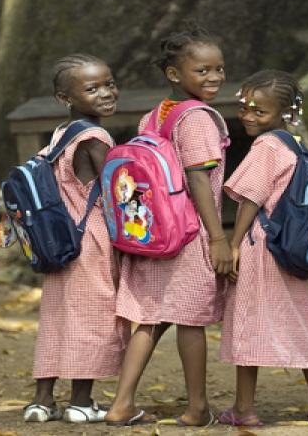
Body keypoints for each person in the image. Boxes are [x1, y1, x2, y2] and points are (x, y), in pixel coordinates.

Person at [104, 24, 232, 427]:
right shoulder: (197, 119)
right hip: (189, 236)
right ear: (174, 74)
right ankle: (197, 408)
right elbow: (198, 180)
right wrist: (219, 238)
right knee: (191, 321)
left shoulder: (152, 116)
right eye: (203, 71)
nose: (214, 78)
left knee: (152, 318)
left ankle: (121, 403)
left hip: (152, 233)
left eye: (219, 69)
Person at [217, 70, 308, 427]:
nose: (249, 117)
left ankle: (244, 409)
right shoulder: (294, 143)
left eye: (260, 112)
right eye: (246, 108)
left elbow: (252, 196)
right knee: (299, 321)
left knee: (246, 323)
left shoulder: (266, 146)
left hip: (260, 245)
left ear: (285, 111)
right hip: (289, 248)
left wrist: (234, 243)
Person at [24, 54, 130, 423]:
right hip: (91, 237)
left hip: (58, 238)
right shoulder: (96, 135)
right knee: (93, 317)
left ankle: (42, 401)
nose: (106, 92)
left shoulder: (59, 133)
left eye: (109, 83)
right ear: (64, 97)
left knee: (57, 318)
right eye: (92, 88)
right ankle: (81, 403)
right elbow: (119, 191)